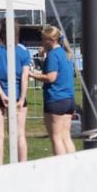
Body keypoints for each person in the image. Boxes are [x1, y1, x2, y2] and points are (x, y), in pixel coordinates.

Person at [0, 19, 31, 166]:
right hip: (17, 96)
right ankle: (23, 166)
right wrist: (22, 98)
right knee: (20, 134)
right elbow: (25, 77)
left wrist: (2, 95)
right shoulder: (23, 52)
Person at [30, 25, 76, 155]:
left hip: (56, 99)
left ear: (51, 40)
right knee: (66, 137)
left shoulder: (53, 55)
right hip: (68, 99)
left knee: (56, 138)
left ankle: (61, 168)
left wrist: (32, 74)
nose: (42, 42)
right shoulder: (65, 53)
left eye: (43, 39)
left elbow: (51, 77)